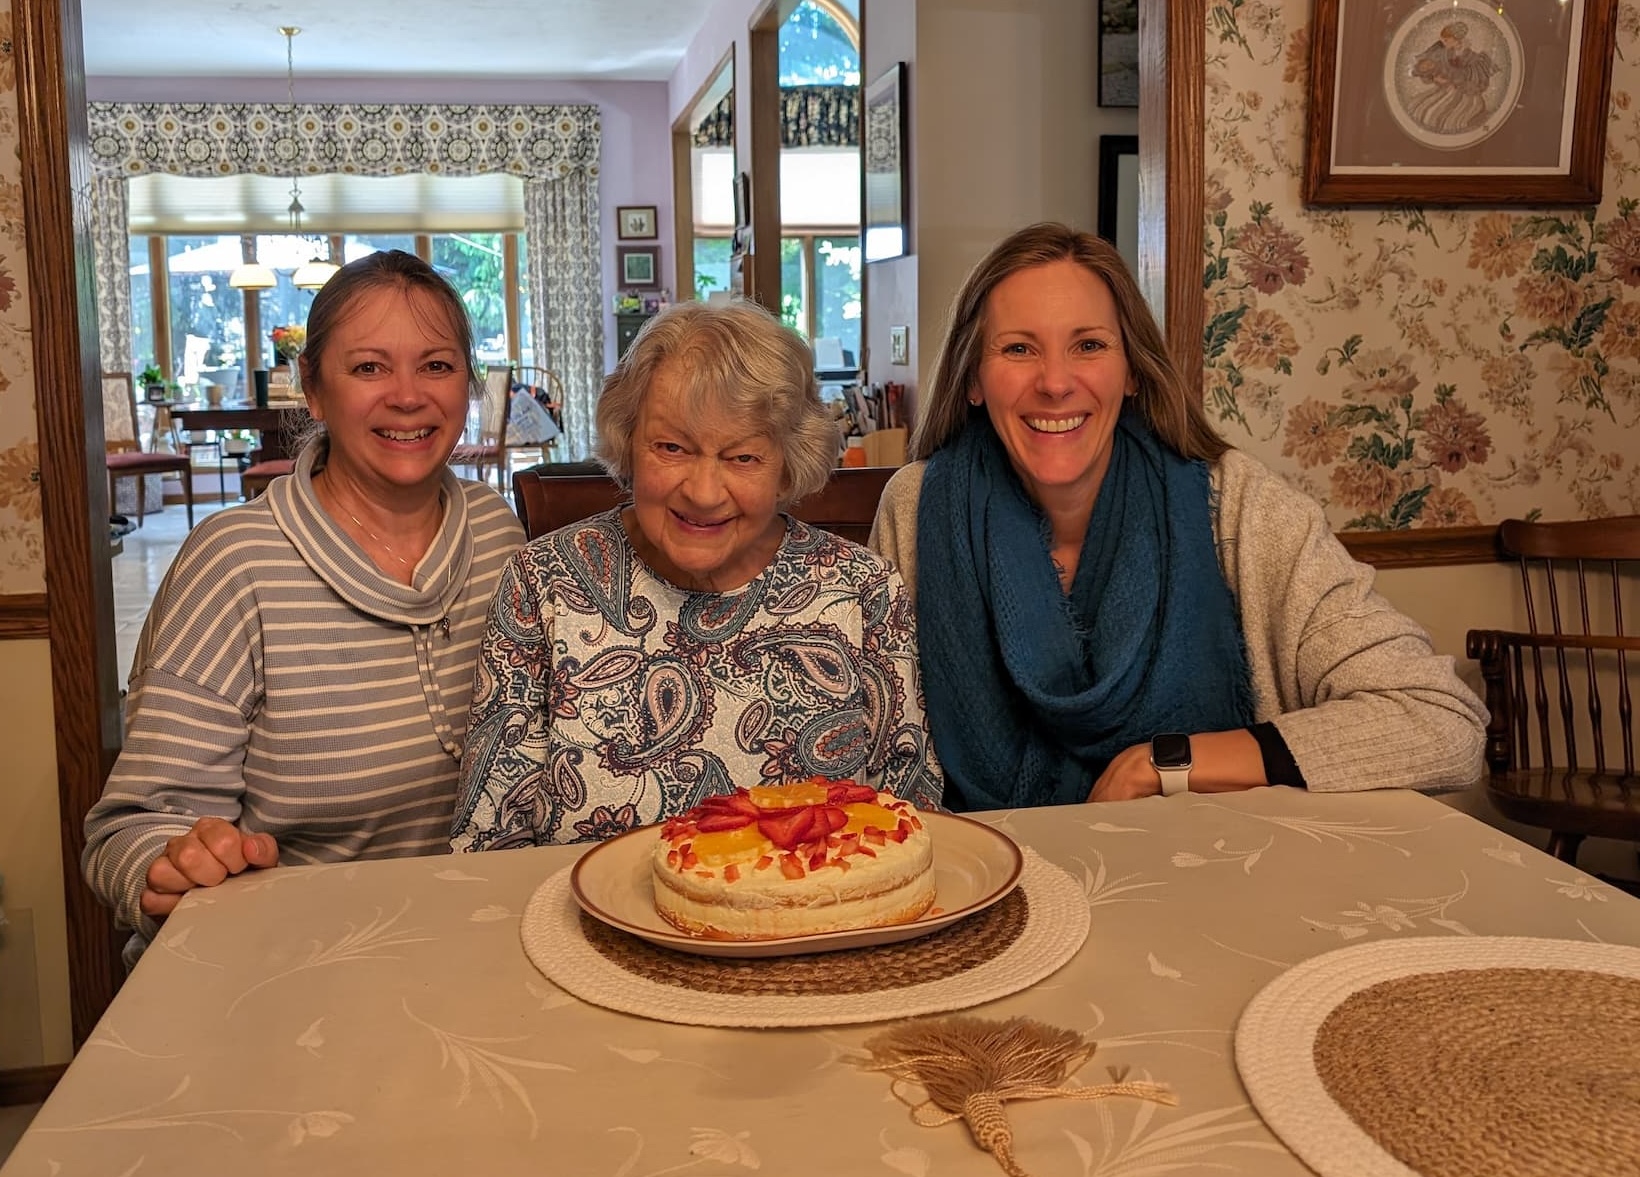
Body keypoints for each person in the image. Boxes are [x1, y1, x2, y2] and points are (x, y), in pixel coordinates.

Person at [869, 222, 1486, 811]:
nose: (1056, 383)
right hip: (986, 883)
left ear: (1132, 369)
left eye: (1089, 345)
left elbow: (1442, 722)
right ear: (973, 377)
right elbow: (877, 761)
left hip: (1208, 882)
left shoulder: (1239, 507)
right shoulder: (916, 507)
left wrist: (1168, 765)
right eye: (1018, 348)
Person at [83, 250, 525, 955]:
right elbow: (129, 829)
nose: (408, 395)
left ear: (466, 386)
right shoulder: (235, 562)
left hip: (470, 940)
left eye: (436, 365)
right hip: (291, 956)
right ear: (312, 390)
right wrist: (171, 860)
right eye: (369, 367)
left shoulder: (500, 534)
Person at [451, 300, 942, 851]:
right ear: (628, 443)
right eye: (672, 447)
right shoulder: (542, 583)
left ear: (787, 464)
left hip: (819, 924)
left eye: (743, 457)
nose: (704, 494)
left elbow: (909, 817)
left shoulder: (865, 591)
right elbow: (490, 838)